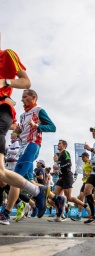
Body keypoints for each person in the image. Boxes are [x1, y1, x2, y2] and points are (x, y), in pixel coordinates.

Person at [0, 87, 57, 225]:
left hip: (33, 145)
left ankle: (6, 213)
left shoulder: (39, 110)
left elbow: (52, 127)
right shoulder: (22, 115)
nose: (22, 99)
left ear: (33, 98)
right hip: (23, 147)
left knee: (16, 176)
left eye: (25, 96)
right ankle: (56, 199)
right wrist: (19, 131)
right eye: (22, 97)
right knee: (25, 179)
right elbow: (22, 133)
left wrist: (37, 125)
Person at [47, 140, 89, 222]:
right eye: (58, 143)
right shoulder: (59, 157)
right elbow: (61, 168)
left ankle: (85, 206)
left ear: (64, 145)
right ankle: (59, 215)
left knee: (69, 198)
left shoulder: (65, 152)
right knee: (54, 197)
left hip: (67, 177)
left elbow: (69, 164)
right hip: (61, 178)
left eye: (60, 143)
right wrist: (56, 172)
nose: (58, 144)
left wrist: (58, 168)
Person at [71, 152, 95, 221]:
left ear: (87, 157)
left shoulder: (90, 162)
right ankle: (79, 215)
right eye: (81, 157)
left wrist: (89, 174)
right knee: (81, 197)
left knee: (91, 200)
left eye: (83, 157)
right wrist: (84, 177)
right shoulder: (84, 164)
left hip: (91, 183)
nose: (82, 159)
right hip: (85, 182)